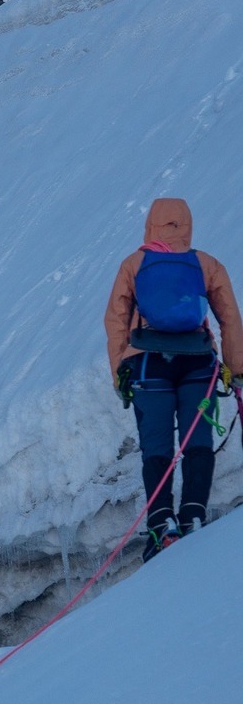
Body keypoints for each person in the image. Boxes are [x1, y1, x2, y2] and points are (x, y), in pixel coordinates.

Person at [105, 198, 241, 560]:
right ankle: (194, 514)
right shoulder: (206, 264)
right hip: (198, 361)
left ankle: (162, 526)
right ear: (187, 224)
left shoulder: (134, 264)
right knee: (197, 441)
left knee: (158, 447)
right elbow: (229, 317)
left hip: (149, 364)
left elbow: (117, 319)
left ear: (151, 225)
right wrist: (236, 368)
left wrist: (121, 368)